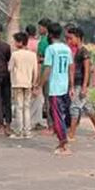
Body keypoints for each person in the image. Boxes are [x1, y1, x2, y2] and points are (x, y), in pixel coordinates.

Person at [39, 23, 74, 154]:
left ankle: (63, 144)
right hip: (64, 86)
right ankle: (63, 141)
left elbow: (47, 69)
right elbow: (71, 68)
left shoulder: (50, 49)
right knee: (62, 115)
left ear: (50, 34)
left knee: (57, 116)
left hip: (55, 87)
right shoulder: (66, 48)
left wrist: (39, 85)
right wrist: (71, 85)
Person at [67, 27, 95, 140]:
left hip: (81, 83)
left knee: (74, 107)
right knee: (88, 108)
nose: (69, 41)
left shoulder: (84, 51)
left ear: (78, 38)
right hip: (78, 83)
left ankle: (71, 134)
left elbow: (87, 70)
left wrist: (84, 86)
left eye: (71, 38)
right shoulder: (77, 51)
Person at [9, 32, 38, 139]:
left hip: (17, 83)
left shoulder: (15, 54)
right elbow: (35, 71)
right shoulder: (32, 55)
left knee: (19, 107)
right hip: (28, 83)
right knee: (27, 107)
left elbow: (9, 68)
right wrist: (34, 83)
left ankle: (19, 131)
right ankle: (27, 131)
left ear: (20, 42)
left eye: (16, 41)